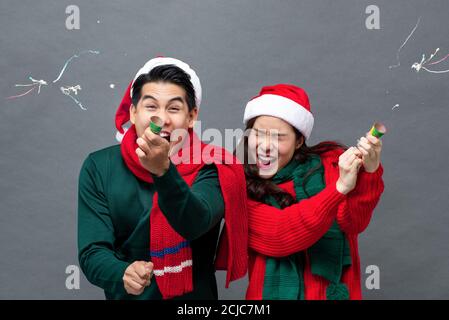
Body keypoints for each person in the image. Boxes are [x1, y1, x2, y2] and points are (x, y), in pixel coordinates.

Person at [77, 57, 247, 300]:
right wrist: (122, 272)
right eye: (151, 107)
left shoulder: (215, 165)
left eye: (174, 108)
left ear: (191, 116)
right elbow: (92, 251)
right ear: (133, 113)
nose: (162, 119)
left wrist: (163, 172)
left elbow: (194, 222)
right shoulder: (99, 166)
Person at [240, 84, 384, 300]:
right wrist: (339, 189)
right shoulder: (240, 184)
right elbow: (281, 234)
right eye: (258, 134)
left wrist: (370, 172)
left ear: (299, 141)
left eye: (278, 137)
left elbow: (354, 223)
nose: (264, 146)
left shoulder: (331, 167)